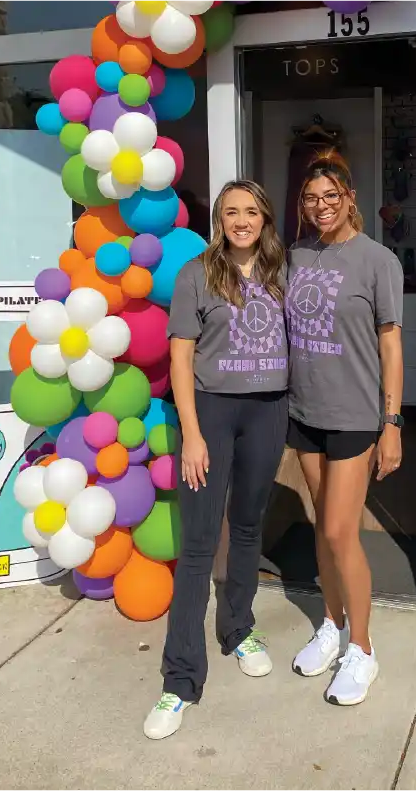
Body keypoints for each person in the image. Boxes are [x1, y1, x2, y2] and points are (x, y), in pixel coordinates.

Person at [144, 181, 289, 740]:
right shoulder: (196, 274)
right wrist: (193, 433)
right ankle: (180, 679)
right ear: (219, 220)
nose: (241, 221)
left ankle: (238, 628)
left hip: (267, 412)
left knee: (249, 527)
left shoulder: (283, 272)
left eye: (251, 211)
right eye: (231, 212)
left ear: (264, 217)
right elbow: (180, 359)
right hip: (212, 413)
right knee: (200, 543)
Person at [285, 150, 404, 706]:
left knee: (339, 532)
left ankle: (363, 648)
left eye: (331, 196)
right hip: (304, 411)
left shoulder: (377, 260)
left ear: (350, 197)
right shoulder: (296, 256)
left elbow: (390, 344)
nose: (321, 206)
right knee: (319, 528)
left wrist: (392, 422)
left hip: (356, 415)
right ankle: (331, 625)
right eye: (311, 199)